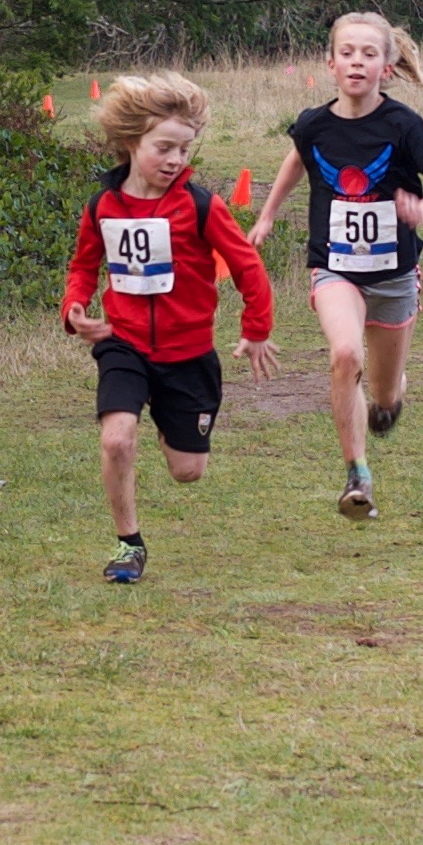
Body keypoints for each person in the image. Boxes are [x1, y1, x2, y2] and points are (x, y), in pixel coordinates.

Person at [62, 72, 279, 583]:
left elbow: (247, 265)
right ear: (131, 142)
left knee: (187, 471)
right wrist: (74, 308)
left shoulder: (201, 206)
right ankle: (128, 544)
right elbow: (82, 267)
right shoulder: (102, 207)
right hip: (124, 344)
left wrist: (257, 329)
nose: (176, 160)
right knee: (116, 439)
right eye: (164, 147)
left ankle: (166, 416)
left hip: (188, 355)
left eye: (184, 149)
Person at [248, 13, 423, 520]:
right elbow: (297, 159)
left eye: (369, 54)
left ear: (387, 66)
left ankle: (389, 400)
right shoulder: (313, 123)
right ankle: (356, 474)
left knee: (384, 397)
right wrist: (267, 215)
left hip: (393, 274)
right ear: (330, 64)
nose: (357, 62)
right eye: (347, 53)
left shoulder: (403, 124)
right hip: (335, 268)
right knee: (345, 355)